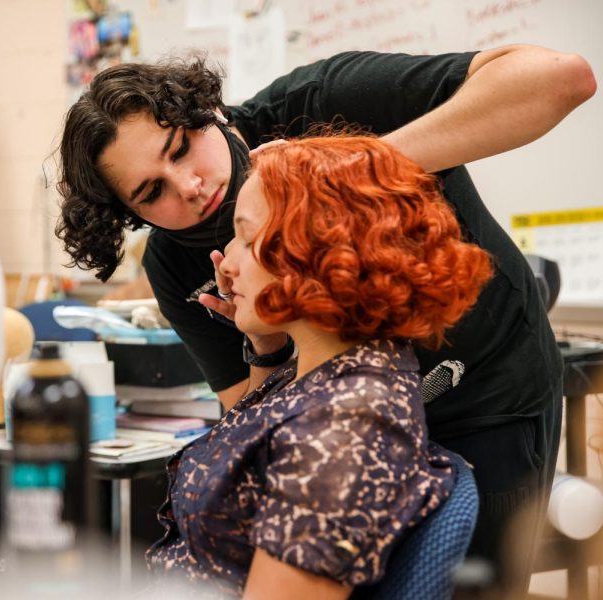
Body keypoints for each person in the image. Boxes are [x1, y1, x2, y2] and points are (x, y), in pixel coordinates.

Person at [56, 46, 596, 587]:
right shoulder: (175, 265)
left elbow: (561, 79)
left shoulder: (322, 103)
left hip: (485, 389)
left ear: (209, 113)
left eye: (181, 149)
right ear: (130, 213)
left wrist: (351, 176)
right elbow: (249, 423)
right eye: (153, 193)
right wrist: (262, 343)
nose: (190, 188)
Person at [145, 135, 492, 597]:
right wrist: (263, 343)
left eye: (247, 238)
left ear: (315, 254)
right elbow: (254, 447)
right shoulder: (330, 365)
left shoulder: (346, 426)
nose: (225, 262)